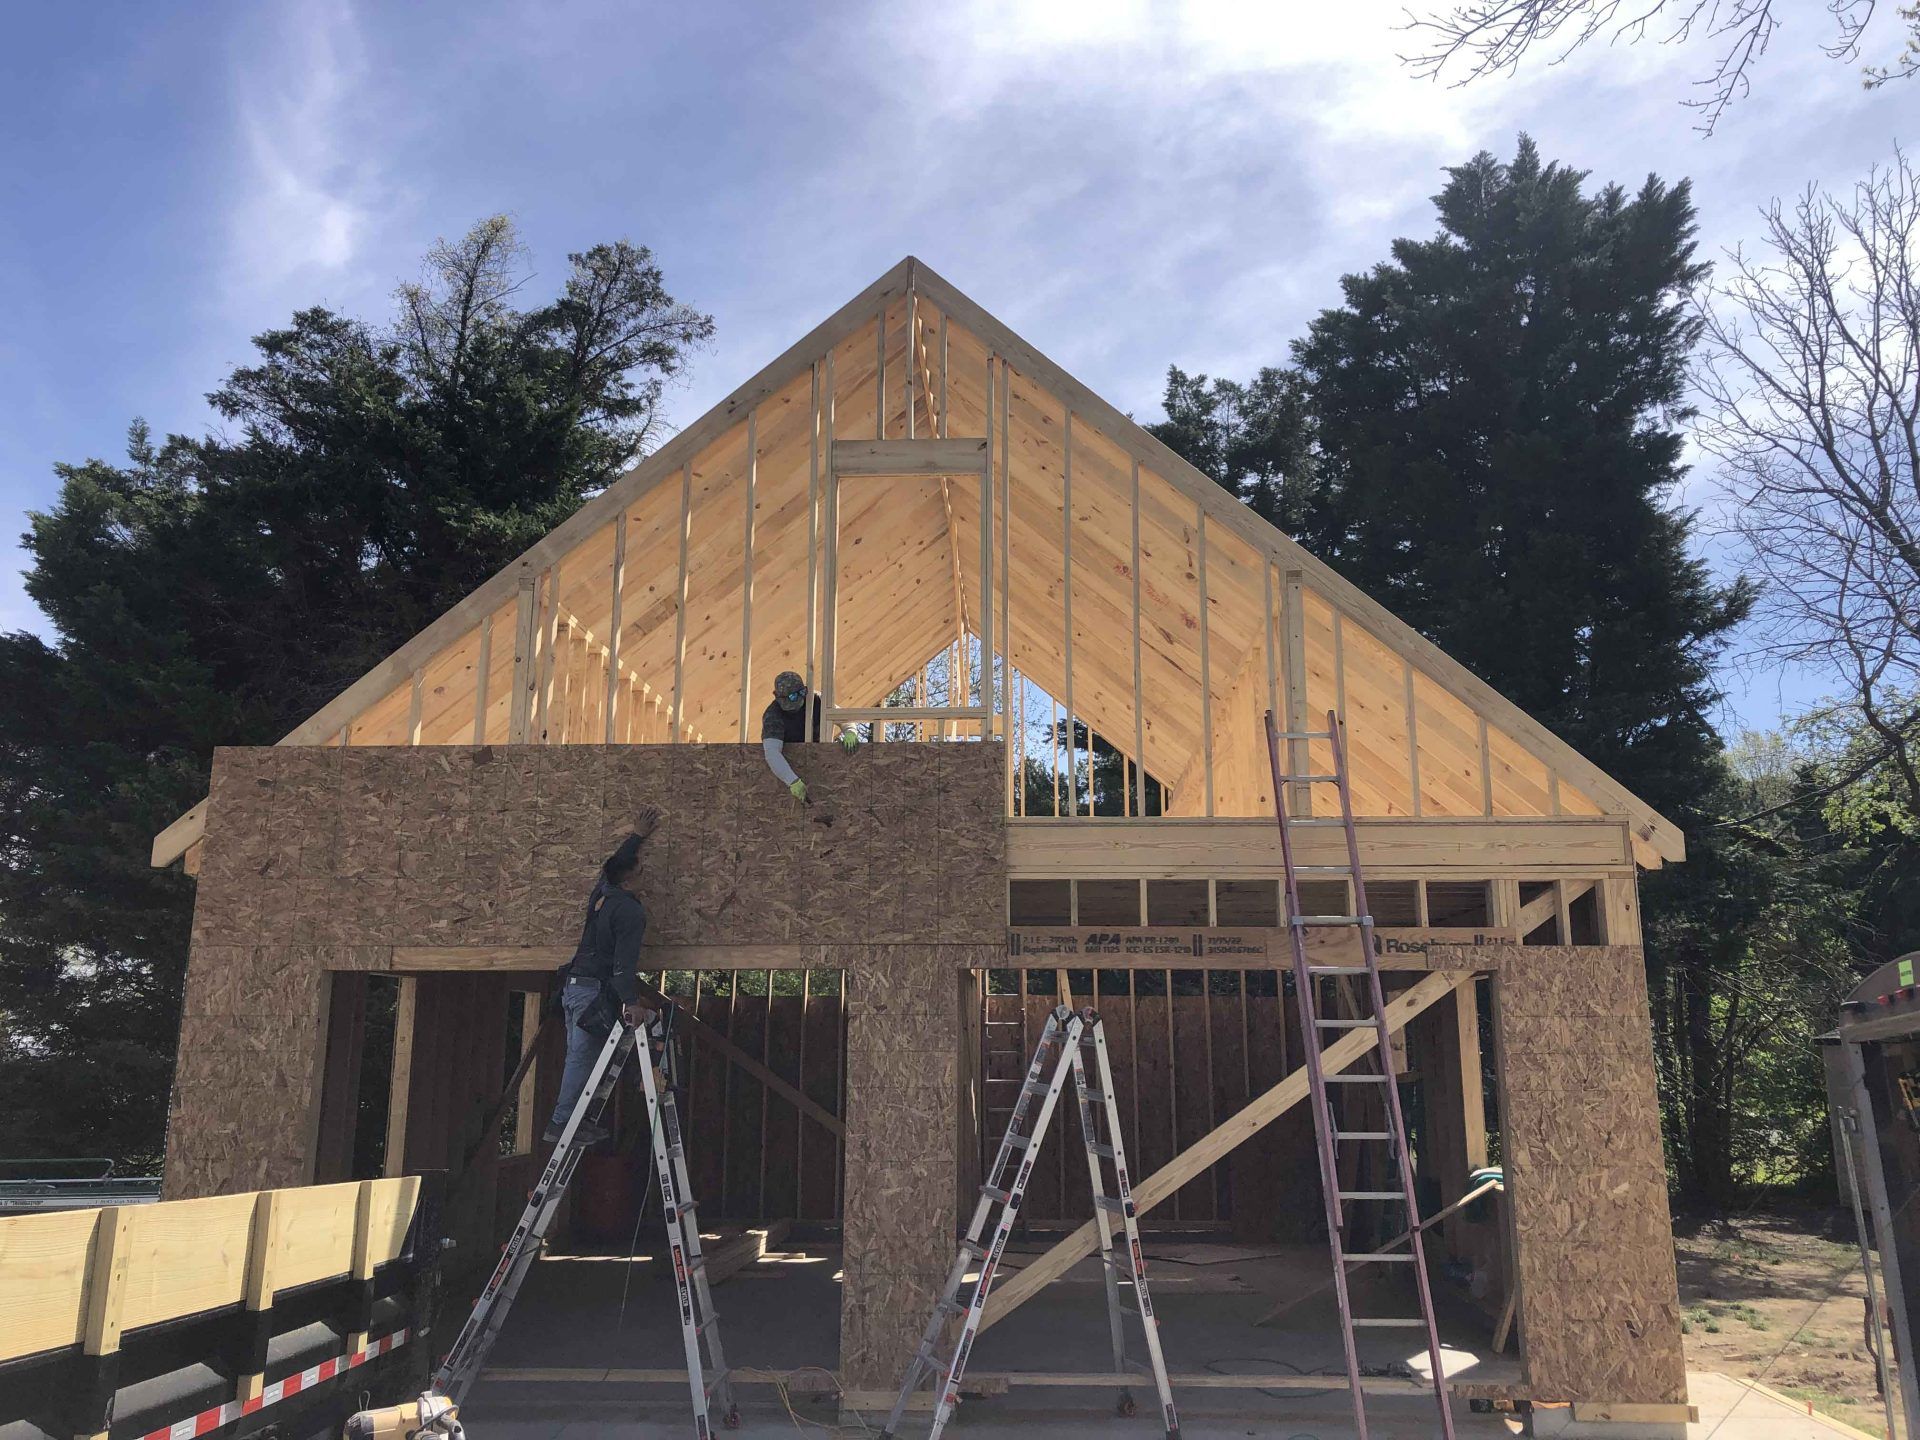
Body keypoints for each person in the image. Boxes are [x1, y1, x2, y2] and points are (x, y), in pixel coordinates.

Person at [546, 805, 659, 1144]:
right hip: (591, 991)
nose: (645, 875)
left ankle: (573, 1120)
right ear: (628, 880)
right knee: (582, 1057)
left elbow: (610, 867)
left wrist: (636, 837)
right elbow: (623, 965)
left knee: (583, 1057)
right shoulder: (628, 912)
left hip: (575, 987)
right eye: (640, 872)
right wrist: (630, 1003)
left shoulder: (604, 891)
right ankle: (562, 1123)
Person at [761, 670, 857, 802]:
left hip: (823, 765)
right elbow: (772, 752)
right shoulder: (773, 716)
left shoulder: (816, 700)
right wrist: (792, 781)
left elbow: (843, 718)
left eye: (801, 693)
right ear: (778, 697)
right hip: (793, 766)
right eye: (793, 697)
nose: (799, 701)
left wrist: (850, 731)